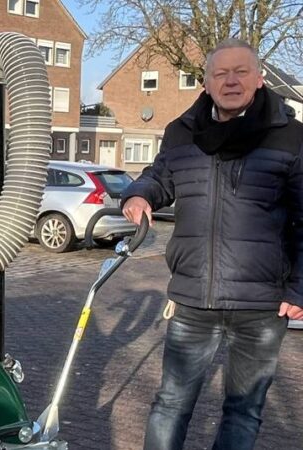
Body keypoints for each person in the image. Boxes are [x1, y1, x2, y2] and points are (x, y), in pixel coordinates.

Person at [121, 38, 303, 450]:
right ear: (205, 83)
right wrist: (138, 194)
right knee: (170, 403)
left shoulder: (291, 138)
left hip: (262, 305)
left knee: (243, 410)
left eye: (241, 71)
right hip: (192, 299)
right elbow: (159, 177)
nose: (230, 81)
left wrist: (299, 289)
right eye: (220, 73)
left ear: (259, 79)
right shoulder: (181, 132)